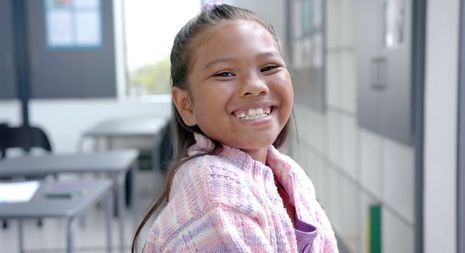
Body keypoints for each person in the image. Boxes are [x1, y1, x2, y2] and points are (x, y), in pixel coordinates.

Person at [132, 3, 338, 253]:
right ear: (186, 105)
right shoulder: (214, 191)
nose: (255, 86)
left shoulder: (288, 174)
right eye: (225, 74)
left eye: (269, 67)